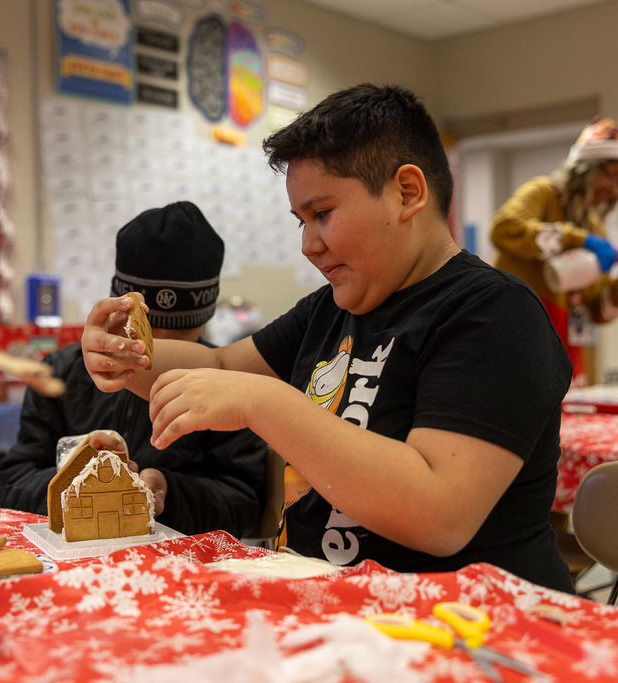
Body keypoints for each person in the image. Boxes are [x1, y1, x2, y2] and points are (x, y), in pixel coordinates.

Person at [81, 83, 576, 593]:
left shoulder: (494, 312)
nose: (307, 245)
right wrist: (126, 354)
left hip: (471, 626)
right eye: (301, 221)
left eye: (323, 214)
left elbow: (438, 513)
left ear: (408, 192)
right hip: (337, 606)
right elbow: (224, 367)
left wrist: (266, 404)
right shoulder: (334, 307)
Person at [0, 201, 268, 538]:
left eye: (183, 336)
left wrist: (168, 491)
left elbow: (246, 504)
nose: (159, 352)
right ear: (118, 308)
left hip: (182, 569)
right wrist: (78, 479)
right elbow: (13, 484)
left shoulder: (230, 382)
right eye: (146, 330)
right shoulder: (60, 372)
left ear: (207, 319)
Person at [491, 116, 618, 387]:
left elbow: (597, 310)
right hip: (515, 331)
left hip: (562, 345)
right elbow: (504, 228)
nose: (614, 189)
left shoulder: (595, 227)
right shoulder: (543, 192)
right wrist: (576, 240)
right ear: (586, 166)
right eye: (611, 175)